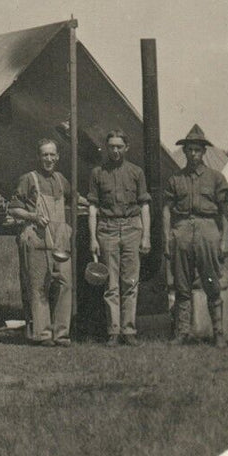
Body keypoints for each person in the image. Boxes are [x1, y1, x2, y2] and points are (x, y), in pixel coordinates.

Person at [163, 124, 228, 346]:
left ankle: (218, 333)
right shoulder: (175, 179)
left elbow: (225, 213)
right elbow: (166, 210)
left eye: (197, 150)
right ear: (184, 151)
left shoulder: (216, 178)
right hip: (182, 231)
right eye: (190, 150)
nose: (193, 154)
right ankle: (182, 332)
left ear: (204, 152)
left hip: (207, 230)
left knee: (212, 283)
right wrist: (167, 237)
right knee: (182, 285)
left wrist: (225, 240)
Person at [8, 138, 75, 347]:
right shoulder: (29, 179)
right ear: (38, 157)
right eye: (45, 155)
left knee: (65, 284)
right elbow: (13, 208)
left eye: (52, 154)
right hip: (37, 237)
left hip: (59, 238)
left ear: (58, 157)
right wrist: (33, 216)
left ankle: (61, 334)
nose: (49, 159)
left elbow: (74, 198)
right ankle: (43, 334)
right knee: (39, 286)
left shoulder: (61, 180)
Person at [87, 130, 151, 346]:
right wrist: (93, 238)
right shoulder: (98, 173)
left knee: (130, 281)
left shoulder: (136, 172)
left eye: (119, 147)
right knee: (111, 283)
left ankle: (129, 330)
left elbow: (144, 205)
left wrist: (146, 236)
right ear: (106, 148)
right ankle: (113, 330)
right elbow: (93, 207)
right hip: (107, 229)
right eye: (111, 147)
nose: (115, 151)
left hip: (132, 228)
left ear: (126, 148)